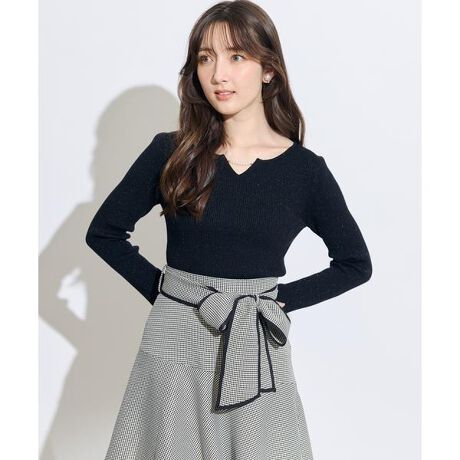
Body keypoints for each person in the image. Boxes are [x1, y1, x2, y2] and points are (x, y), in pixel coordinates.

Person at [85, 1, 372, 459]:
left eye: (236, 56)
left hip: (256, 342)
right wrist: (167, 292)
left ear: (268, 70)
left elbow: (355, 264)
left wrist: (274, 302)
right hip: (173, 341)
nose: (219, 74)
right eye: (206, 58)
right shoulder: (170, 152)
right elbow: (104, 233)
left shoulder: (305, 171)